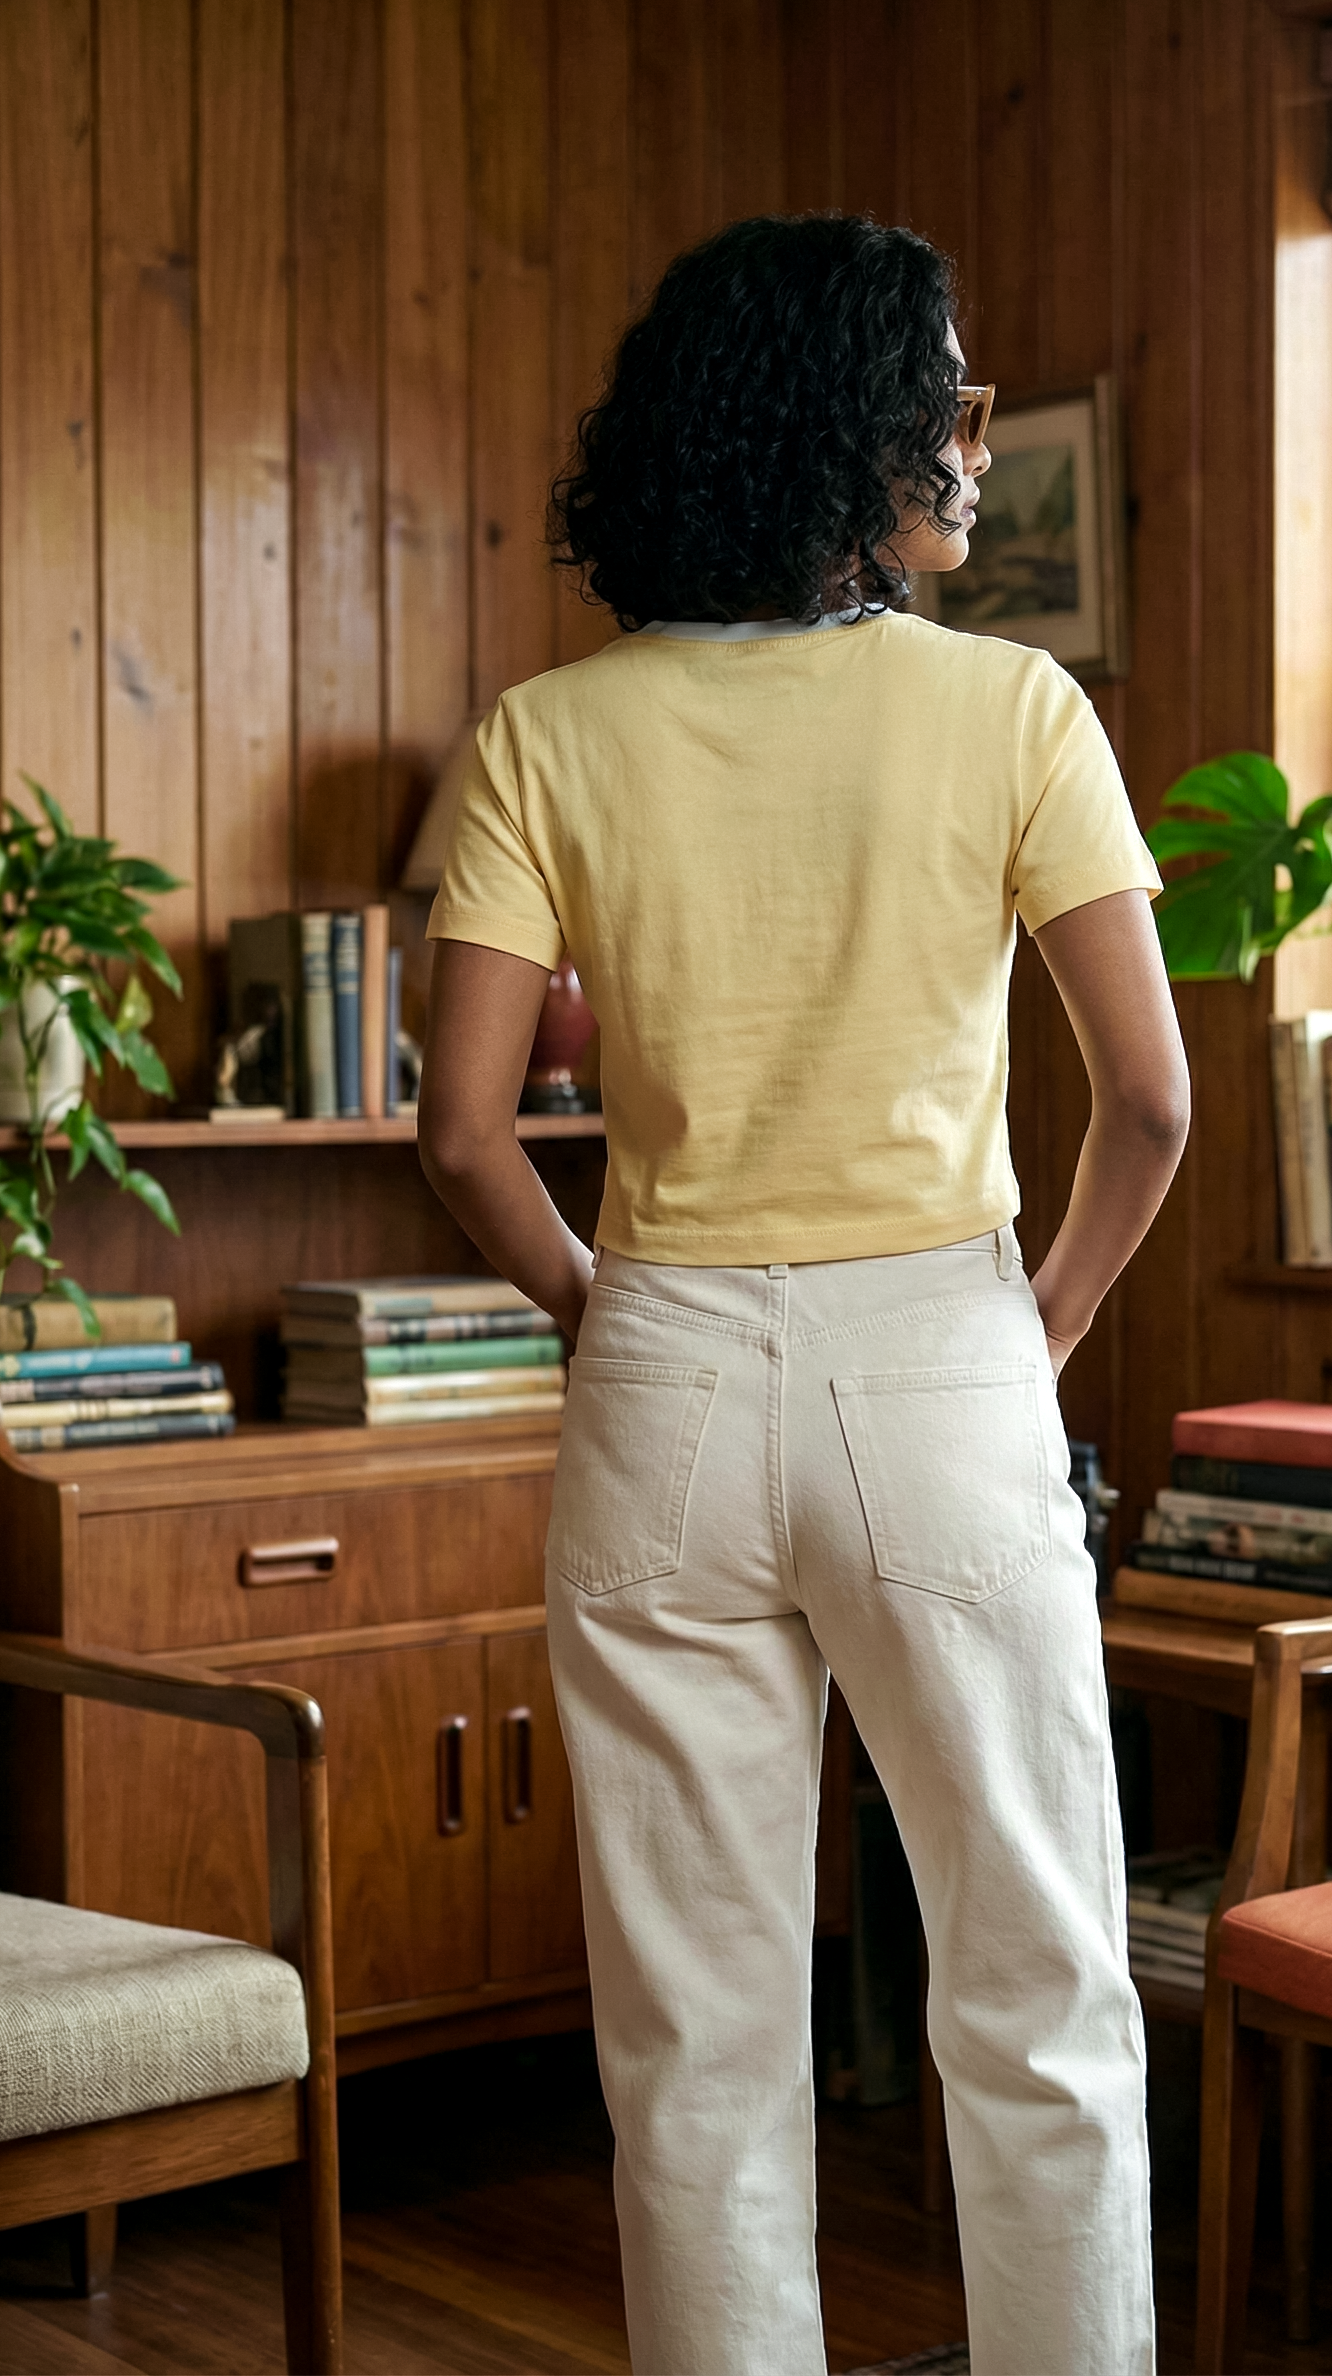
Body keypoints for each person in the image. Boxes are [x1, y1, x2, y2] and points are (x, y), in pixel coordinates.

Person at [418, 213, 1189, 2376]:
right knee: (1036, 1993)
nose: (966, 435)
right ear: (834, 425)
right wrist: (1027, 1340)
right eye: (936, 391)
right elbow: (1146, 1102)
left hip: (661, 1362)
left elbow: (468, 1133)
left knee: (692, 2038)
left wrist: (606, 1312)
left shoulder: (546, 730)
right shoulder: (1013, 710)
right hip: (940, 1360)